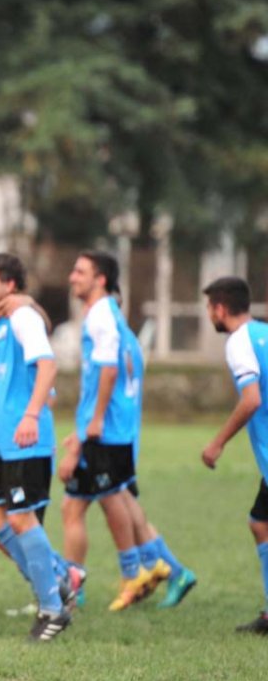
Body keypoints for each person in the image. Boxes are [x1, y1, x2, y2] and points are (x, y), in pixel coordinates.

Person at [58, 251, 195, 611]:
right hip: (112, 428)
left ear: (100, 278)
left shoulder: (102, 316)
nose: (72, 277)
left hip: (107, 430)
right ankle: (161, 571)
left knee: (109, 497)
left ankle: (130, 572)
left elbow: (107, 372)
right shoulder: (112, 318)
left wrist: (93, 422)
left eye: (79, 271)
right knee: (94, 502)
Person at [0, 253, 71, 641]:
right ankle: (58, 579)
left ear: (10, 286)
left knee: (21, 518)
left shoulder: (22, 316)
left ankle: (52, 607)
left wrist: (30, 416)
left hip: (25, 438)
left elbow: (48, 367)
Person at [200, 276, 268, 634]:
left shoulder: (239, 342)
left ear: (220, 309)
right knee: (260, 523)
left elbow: (252, 399)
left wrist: (218, 442)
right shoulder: (264, 334)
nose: (210, 314)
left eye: (210, 308)